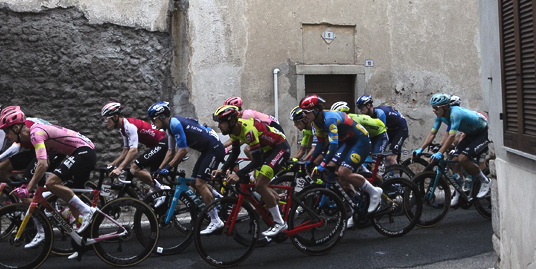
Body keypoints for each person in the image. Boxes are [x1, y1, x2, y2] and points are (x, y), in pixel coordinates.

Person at [0, 106, 97, 239]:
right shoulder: (32, 134)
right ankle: (80, 243)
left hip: (83, 151)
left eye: (6, 131)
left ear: (16, 128)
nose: (6, 136)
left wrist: (28, 187)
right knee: (69, 195)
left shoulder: (35, 134)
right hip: (79, 152)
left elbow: (42, 164)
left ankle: (87, 211)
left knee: (51, 183)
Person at [213, 103, 290, 240]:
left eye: (221, 123)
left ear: (231, 121)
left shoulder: (248, 130)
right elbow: (235, 152)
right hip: (268, 149)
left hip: (280, 147)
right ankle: (275, 200)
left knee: (260, 184)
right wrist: (222, 169)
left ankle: (279, 223)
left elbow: (257, 161)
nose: (219, 126)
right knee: (258, 184)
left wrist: (238, 174)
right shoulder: (234, 130)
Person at [146, 102, 225, 234]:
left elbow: (183, 151)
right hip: (207, 150)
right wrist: (160, 169)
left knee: (200, 183)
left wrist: (168, 167)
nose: (152, 123)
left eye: (153, 119)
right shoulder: (169, 128)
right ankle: (219, 199)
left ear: (162, 116)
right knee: (194, 181)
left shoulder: (175, 124)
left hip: (214, 148)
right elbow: (170, 152)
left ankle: (216, 220)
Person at [299, 95, 381, 213]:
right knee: (338, 176)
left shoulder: (329, 119)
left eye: (306, 112)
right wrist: (309, 161)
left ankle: (374, 191)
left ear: (316, 110)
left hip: (360, 140)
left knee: (343, 171)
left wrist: (322, 164)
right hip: (348, 142)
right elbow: (320, 144)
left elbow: (334, 145)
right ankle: (356, 207)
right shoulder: (315, 123)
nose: (304, 115)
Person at [416, 93, 491, 199]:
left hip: (482, 133)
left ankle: (485, 181)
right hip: (470, 134)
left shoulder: (455, 113)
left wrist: (439, 152)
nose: (433, 110)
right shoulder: (440, 116)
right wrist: (420, 148)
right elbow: (432, 133)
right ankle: (459, 191)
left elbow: (451, 137)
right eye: (432, 107)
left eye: (435, 107)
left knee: (462, 159)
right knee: (454, 160)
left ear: (446, 107)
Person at [100, 102, 167, 207]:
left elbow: (133, 151)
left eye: (106, 118)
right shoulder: (123, 129)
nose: (105, 122)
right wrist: (114, 163)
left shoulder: (129, 126)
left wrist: (120, 168)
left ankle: (161, 190)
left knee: (134, 168)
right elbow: (126, 150)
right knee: (153, 176)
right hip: (156, 146)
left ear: (115, 117)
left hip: (162, 144)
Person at [355, 95, 409, 164]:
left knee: (390, 157)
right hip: (391, 129)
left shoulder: (380, 114)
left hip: (401, 129)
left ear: (368, 105)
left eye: (361, 107)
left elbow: (381, 134)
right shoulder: (368, 116)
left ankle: (397, 175)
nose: (359, 110)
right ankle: (386, 169)